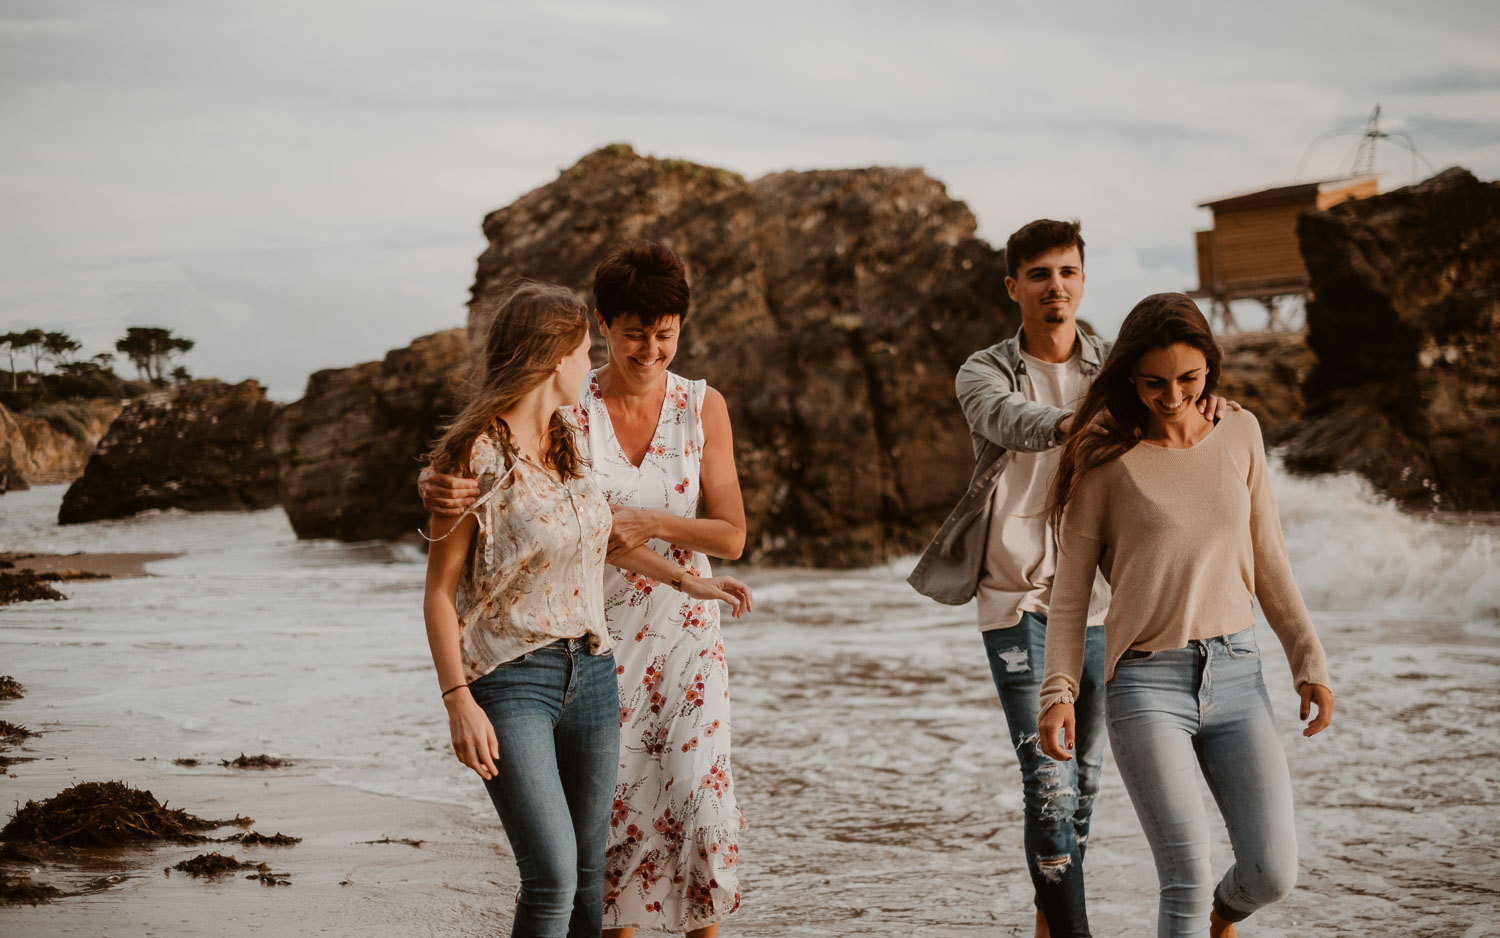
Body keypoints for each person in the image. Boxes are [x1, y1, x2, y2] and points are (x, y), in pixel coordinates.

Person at [907, 219, 1231, 938]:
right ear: (1013, 285)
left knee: (1082, 786)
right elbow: (1011, 420)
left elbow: (1177, 410)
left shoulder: (1118, 364)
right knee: (1047, 786)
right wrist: (1081, 422)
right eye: (1040, 273)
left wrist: (1209, 407)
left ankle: (1048, 925)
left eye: (1068, 271)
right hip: (1013, 597)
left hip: (1104, 602)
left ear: (1083, 279)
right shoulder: (983, 370)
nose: (1057, 285)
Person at [422, 242, 749, 938]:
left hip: (633, 652)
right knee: (576, 865)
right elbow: (473, 496)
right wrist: (430, 487)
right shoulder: (558, 419)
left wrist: (690, 575)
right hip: (557, 657)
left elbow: (678, 533)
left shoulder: (651, 417)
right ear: (594, 330)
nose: (650, 350)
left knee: (664, 827)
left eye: (667, 334)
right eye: (634, 333)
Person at [1038, 292, 1334, 938]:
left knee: (1271, 872)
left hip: (1237, 675)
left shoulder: (1243, 433)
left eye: (1188, 380)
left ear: (1211, 370)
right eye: (1153, 383)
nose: (1171, 396)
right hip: (1145, 686)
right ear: (1129, 378)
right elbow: (1070, 593)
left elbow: (1271, 560)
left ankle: (1222, 921)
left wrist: (1308, 659)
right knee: (1186, 874)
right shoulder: (1104, 457)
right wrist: (1057, 693)